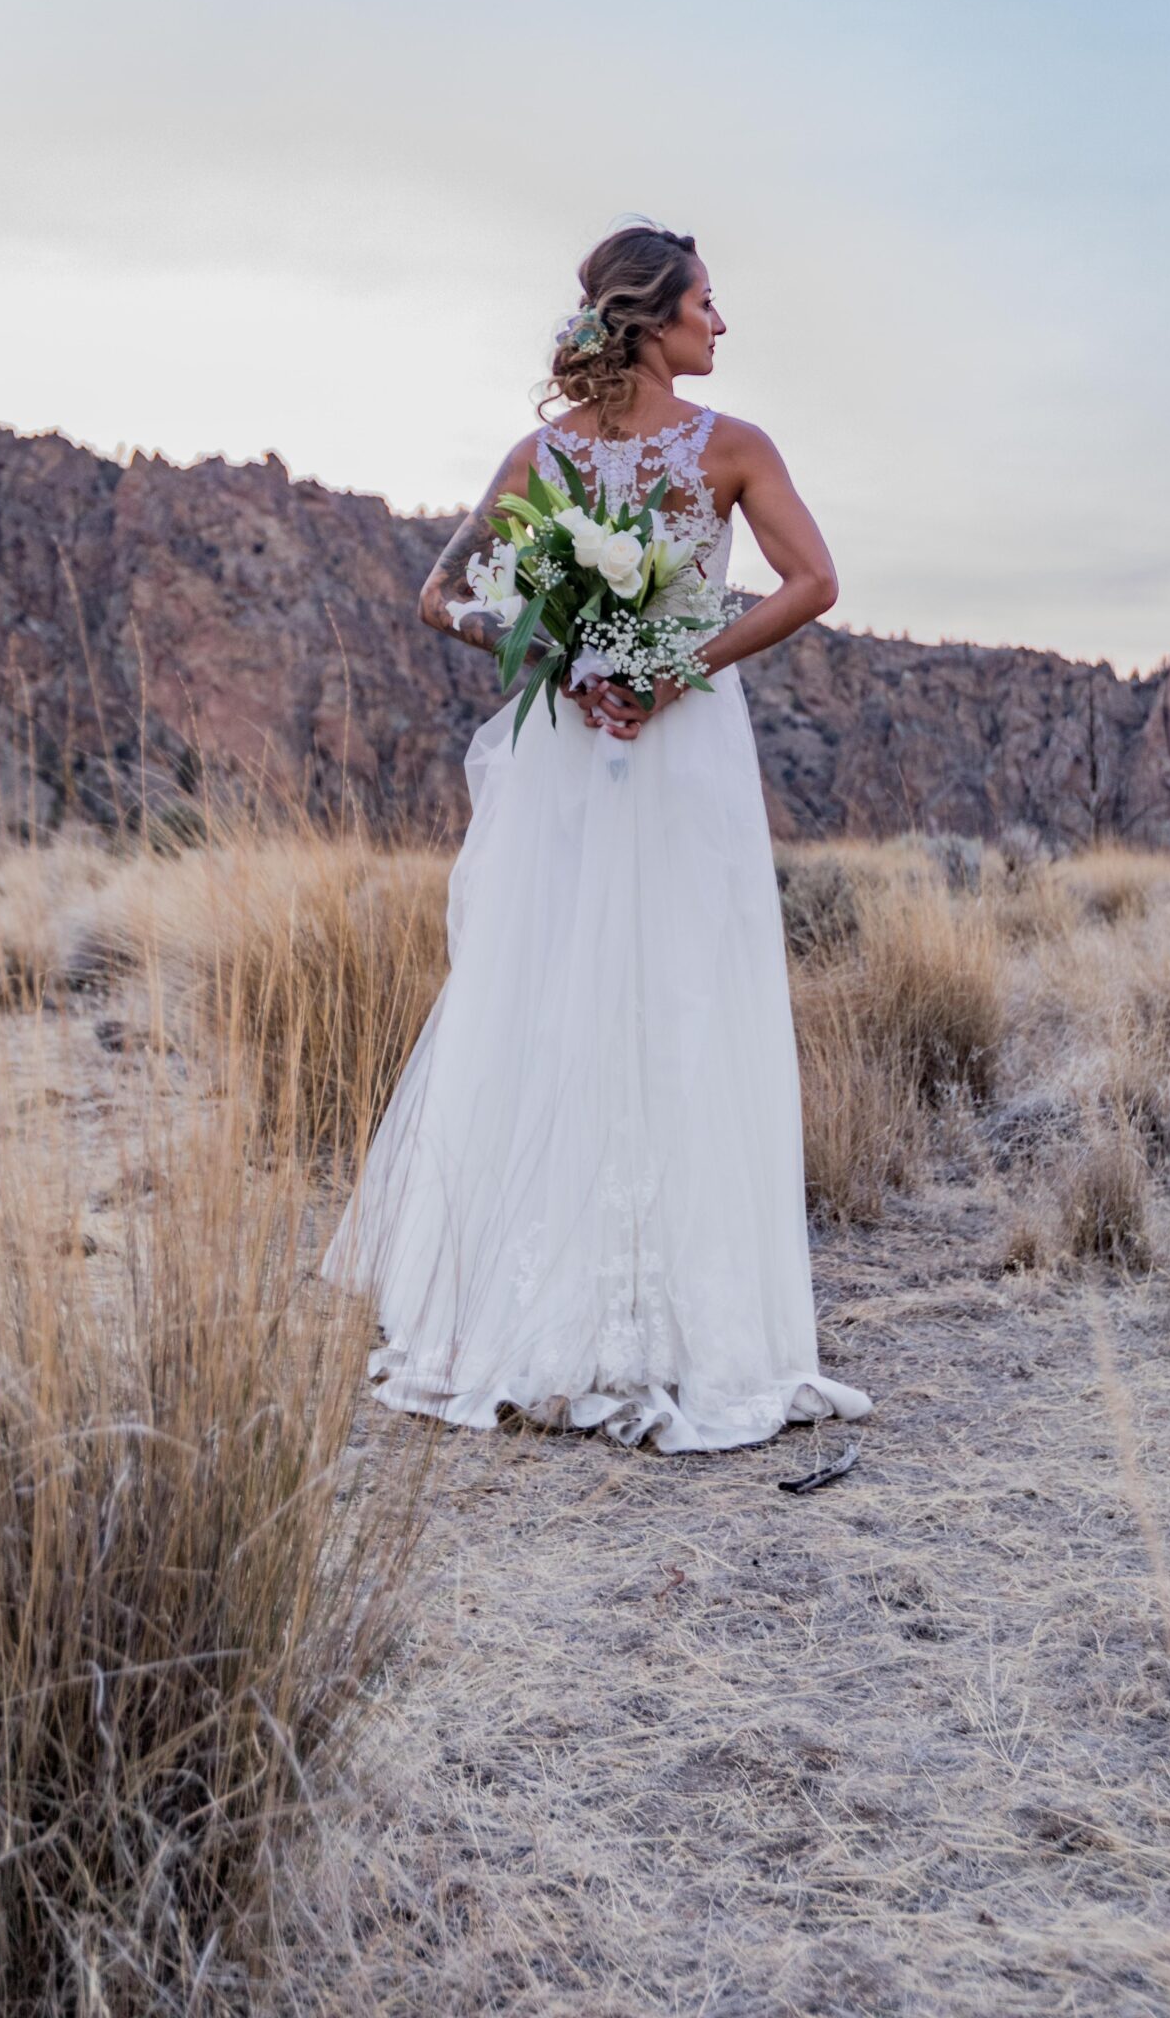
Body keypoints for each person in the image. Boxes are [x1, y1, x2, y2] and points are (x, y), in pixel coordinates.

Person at [319, 219, 872, 1451]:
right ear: (653, 317)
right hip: (656, 746)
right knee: (661, 993)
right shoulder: (728, 447)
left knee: (579, 989)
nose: (720, 325)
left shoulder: (549, 454)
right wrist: (665, 662)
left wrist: (567, 656)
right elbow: (811, 582)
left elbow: (442, 598)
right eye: (707, 304)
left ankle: (573, 1314)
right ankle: (643, 1321)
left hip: (589, 741)